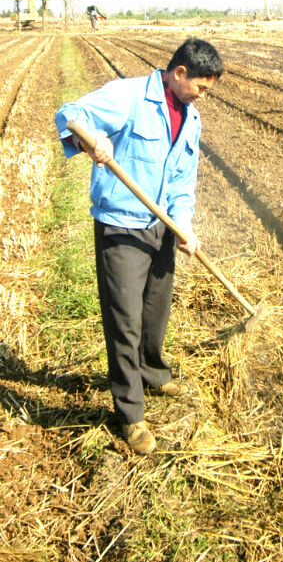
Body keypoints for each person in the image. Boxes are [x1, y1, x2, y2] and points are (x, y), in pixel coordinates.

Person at [55, 37, 223, 454]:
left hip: (161, 227)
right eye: (202, 86)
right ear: (180, 73)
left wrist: (183, 225)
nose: (204, 95)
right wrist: (91, 139)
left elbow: (184, 180)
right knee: (124, 320)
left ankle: (153, 374)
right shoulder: (129, 97)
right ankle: (130, 413)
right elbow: (70, 114)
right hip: (122, 228)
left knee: (155, 311)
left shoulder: (192, 117)